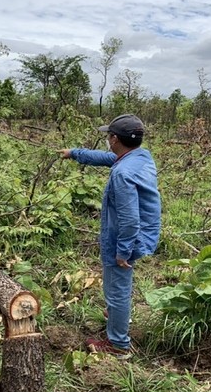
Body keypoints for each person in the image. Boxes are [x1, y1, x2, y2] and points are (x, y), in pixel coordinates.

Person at [58, 114, 161, 360]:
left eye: (108, 136)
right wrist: (74, 153)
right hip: (145, 232)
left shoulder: (122, 174)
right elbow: (108, 159)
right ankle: (118, 315)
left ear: (114, 139)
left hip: (127, 236)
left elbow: (129, 219)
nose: (107, 141)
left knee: (117, 286)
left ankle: (118, 344)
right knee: (118, 286)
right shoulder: (140, 157)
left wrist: (123, 252)